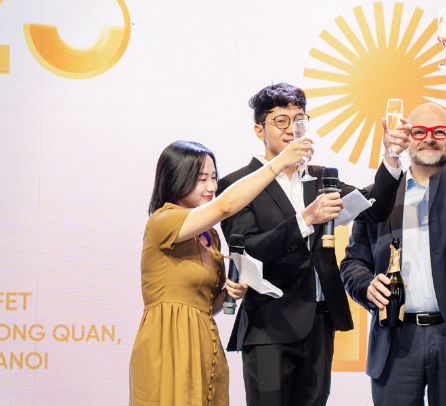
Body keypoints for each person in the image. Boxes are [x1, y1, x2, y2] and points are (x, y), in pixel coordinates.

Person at [340, 27, 446, 406]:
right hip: (395, 336)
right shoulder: (378, 195)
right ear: (405, 138)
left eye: (439, 131)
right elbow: (353, 261)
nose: (430, 138)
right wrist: (365, 285)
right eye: (419, 131)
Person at [217, 82, 404, 406]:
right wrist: (305, 219)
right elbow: (248, 249)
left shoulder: (321, 179)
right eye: (281, 121)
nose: (293, 129)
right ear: (259, 130)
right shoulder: (237, 184)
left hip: (320, 322)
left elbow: (374, 207)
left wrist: (389, 156)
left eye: (299, 119)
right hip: (268, 324)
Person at [129, 139, 311, 406]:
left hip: (204, 340)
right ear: (177, 178)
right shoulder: (162, 221)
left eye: (214, 177)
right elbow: (225, 206)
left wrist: (230, 292)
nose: (212, 187)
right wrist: (278, 163)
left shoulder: (210, 235)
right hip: (168, 342)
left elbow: (208, 305)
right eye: (201, 179)